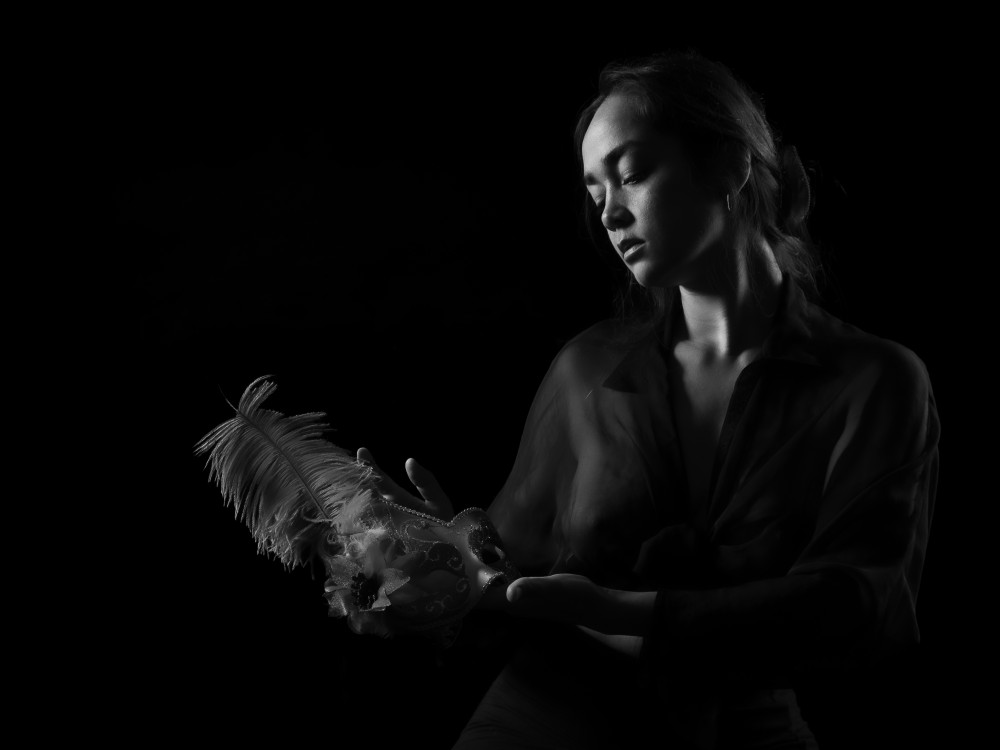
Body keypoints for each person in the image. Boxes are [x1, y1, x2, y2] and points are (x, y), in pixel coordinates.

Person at [357, 51, 939, 749]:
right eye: (594, 191)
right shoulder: (587, 369)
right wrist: (440, 559)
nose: (610, 212)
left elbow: (863, 604)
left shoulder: (875, 380)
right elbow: (507, 580)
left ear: (730, 165)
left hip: (742, 731)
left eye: (630, 174)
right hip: (549, 716)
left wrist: (623, 611)